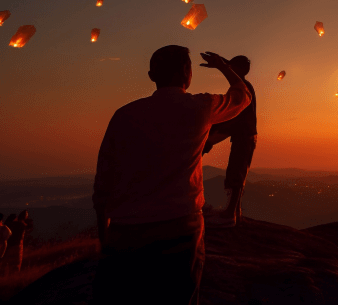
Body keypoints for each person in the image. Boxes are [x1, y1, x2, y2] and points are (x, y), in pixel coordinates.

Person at [91, 46, 251, 306]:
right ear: (188, 74)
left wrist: (104, 237)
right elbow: (242, 96)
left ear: (151, 75)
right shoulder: (201, 107)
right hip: (181, 229)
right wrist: (223, 66)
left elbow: (104, 179)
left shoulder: (124, 115)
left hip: (127, 233)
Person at [202, 55, 257, 228]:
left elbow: (232, 118)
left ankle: (230, 213)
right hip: (244, 135)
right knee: (237, 171)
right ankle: (235, 212)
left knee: (236, 172)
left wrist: (211, 135)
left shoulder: (243, 88)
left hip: (244, 135)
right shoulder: (244, 87)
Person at [3, 210, 32, 274]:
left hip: (10, 245)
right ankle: (14, 274)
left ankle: (6, 273)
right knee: (17, 262)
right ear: (24, 216)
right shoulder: (22, 225)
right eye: (26, 215)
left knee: (9, 261)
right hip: (17, 245)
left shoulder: (12, 224)